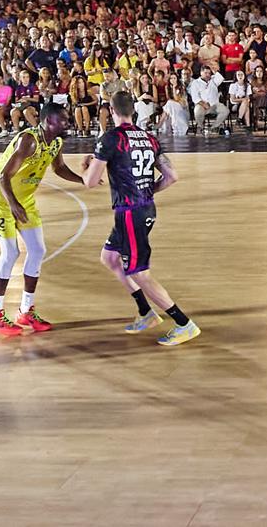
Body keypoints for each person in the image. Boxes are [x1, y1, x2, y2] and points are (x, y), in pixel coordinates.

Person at [82, 91, 200, 346]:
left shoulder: (110, 139)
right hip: (145, 209)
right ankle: (146, 312)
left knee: (140, 273)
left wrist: (87, 166)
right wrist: (147, 190)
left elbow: (90, 182)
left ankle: (184, 324)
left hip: (130, 213)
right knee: (110, 258)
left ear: (111, 110)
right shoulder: (149, 138)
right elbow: (172, 177)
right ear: (133, 111)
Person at [0, 103, 84, 335]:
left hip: (23, 199)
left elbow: (59, 168)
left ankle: (26, 310)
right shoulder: (29, 141)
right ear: (48, 121)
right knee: (10, 253)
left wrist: (82, 180)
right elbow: (3, 177)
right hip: (0, 198)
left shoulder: (56, 142)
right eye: (63, 120)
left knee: (37, 250)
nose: (67, 123)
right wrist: (13, 204)